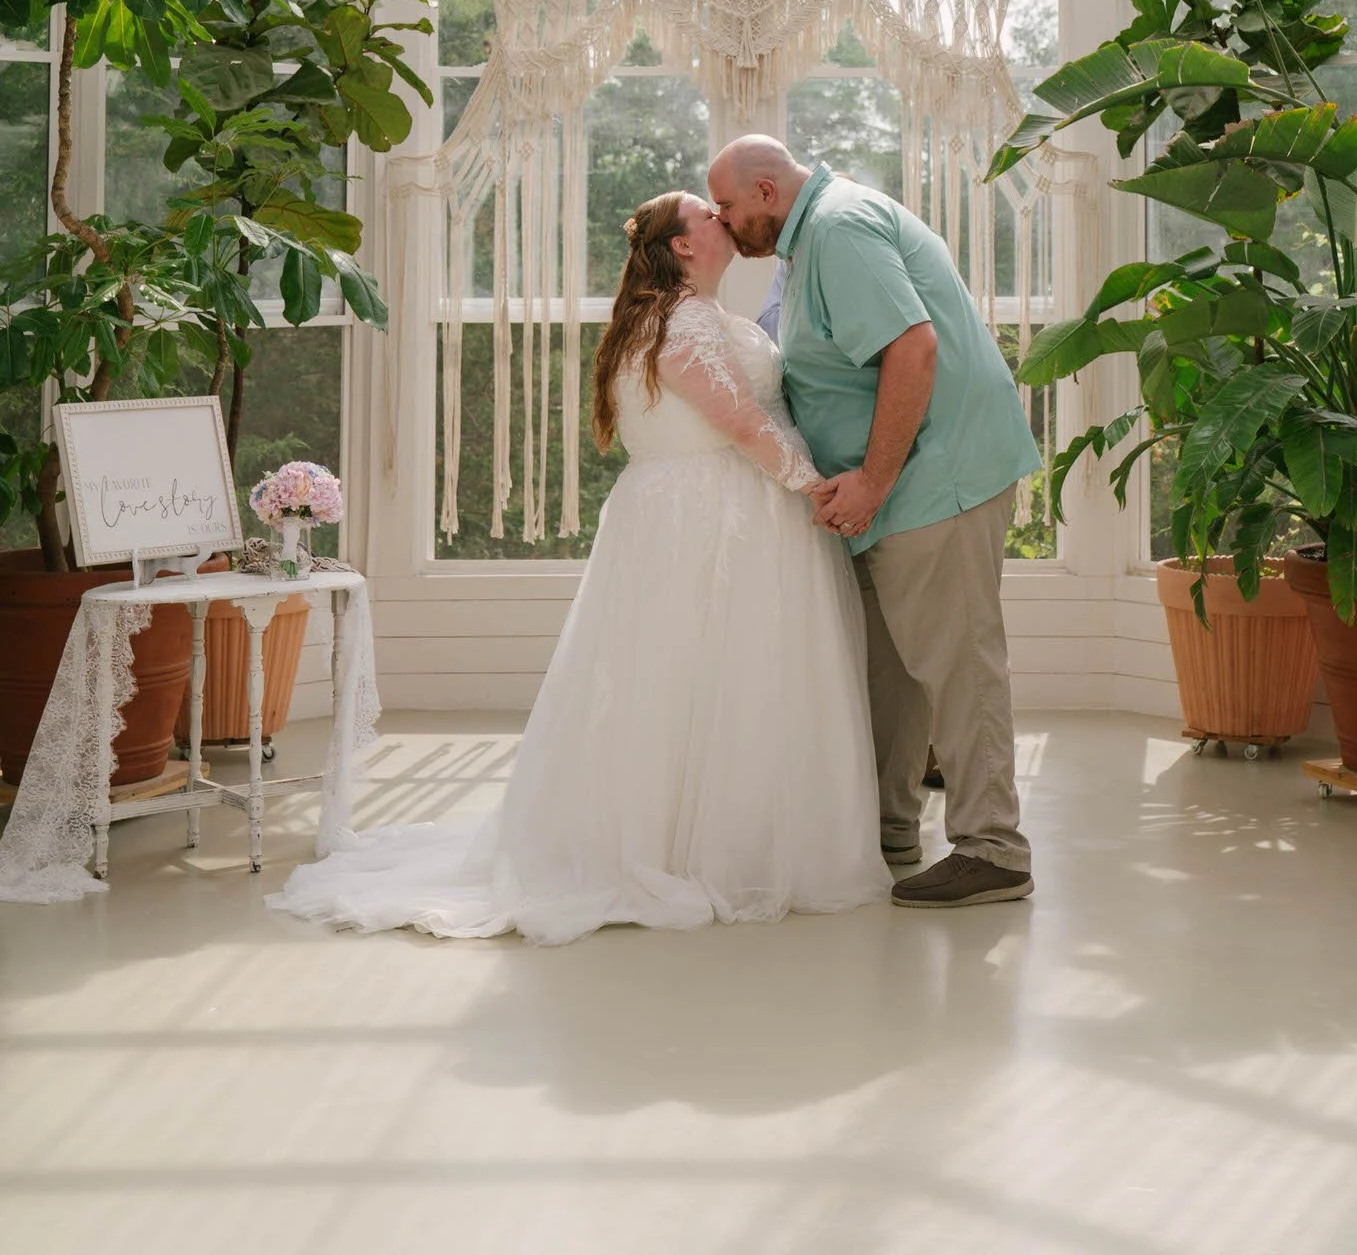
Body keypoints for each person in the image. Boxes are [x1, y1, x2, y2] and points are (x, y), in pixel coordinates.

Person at [268, 191, 889, 945]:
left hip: (698, 509)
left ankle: (723, 836)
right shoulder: (683, 320)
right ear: (683, 245)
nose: (723, 218)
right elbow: (740, 421)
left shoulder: (685, 314)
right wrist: (817, 487)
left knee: (698, 676)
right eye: (708, 214)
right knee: (703, 672)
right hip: (710, 512)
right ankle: (703, 849)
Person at [707, 137, 1041, 909]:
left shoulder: (838, 229)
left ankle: (993, 850)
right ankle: (890, 833)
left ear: (766, 191)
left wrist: (873, 481)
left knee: (957, 663)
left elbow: (912, 349)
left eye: (727, 205)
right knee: (891, 674)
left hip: (934, 480)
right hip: (897, 494)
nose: (724, 221)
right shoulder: (813, 236)